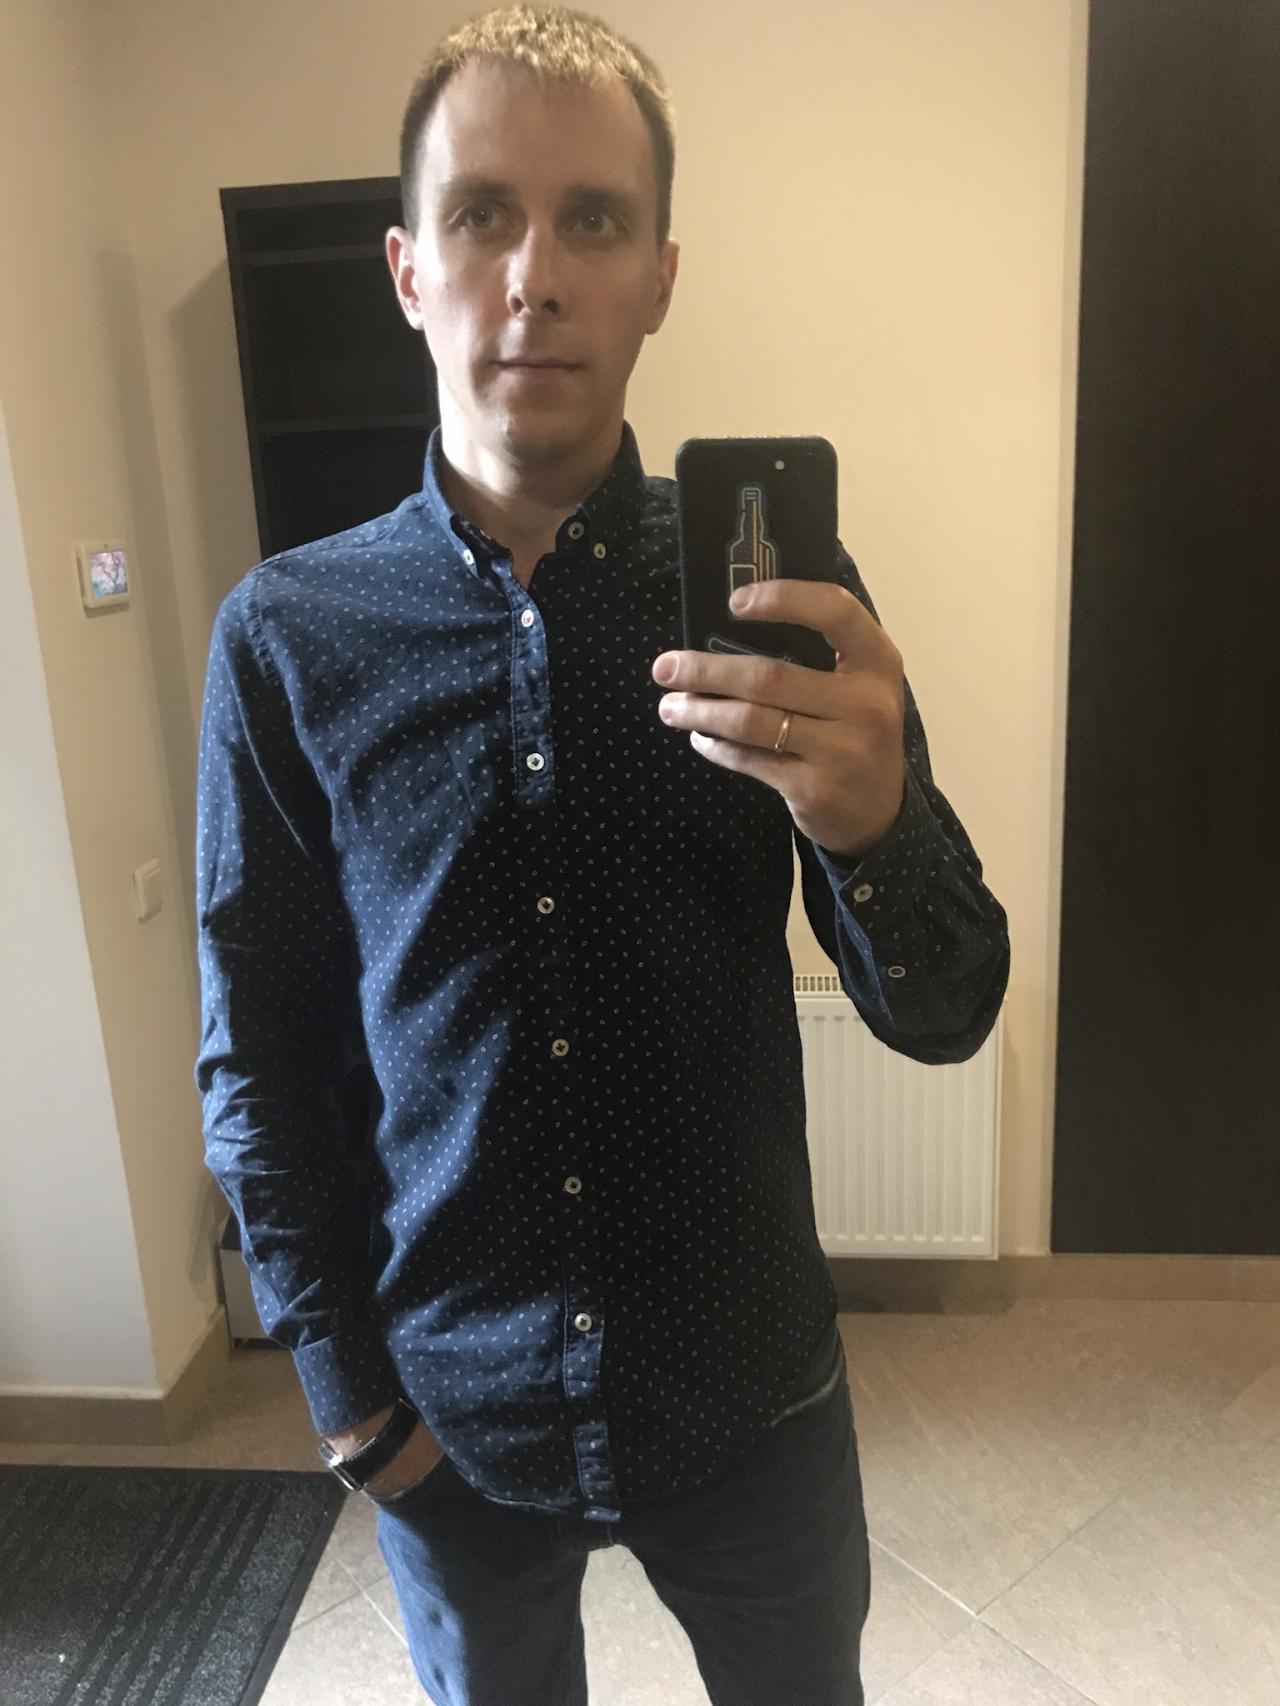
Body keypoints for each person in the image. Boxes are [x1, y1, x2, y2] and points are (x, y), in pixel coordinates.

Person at [194, 6, 1011, 1703]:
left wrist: (879, 830)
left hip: (750, 1393)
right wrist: (352, 1404)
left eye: (593, 219)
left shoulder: (784, 601)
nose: (536, 275)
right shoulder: (288, 638)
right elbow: (259, 1054)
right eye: (482, 214)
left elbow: (949, 1012)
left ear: (660, 278)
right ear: (409, 270)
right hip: (454, 1411)